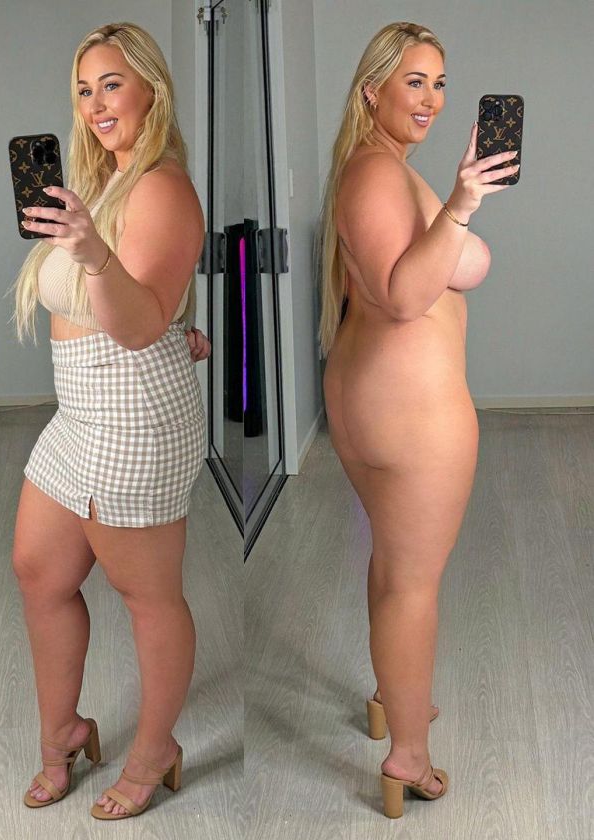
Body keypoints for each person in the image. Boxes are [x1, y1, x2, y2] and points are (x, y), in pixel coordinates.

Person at [7, 22, 211, 820]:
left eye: (112, 84)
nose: (95, 104)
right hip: (80, 410)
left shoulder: (161, 186)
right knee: (39, 570)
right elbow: (152, 306)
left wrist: (95, 254)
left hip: (134, 416)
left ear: (152, 89)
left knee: (148, 595)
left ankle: (155, 749)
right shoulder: (102, 183)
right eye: (84, 89)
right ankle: (64, 729)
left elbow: (136, 324)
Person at [319, 22, 519, 818]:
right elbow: (405, 297)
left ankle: (392, 698)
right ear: (372, 90)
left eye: (439, 83)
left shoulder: (379, 168)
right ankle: (408, 756)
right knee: (413, 585)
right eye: (414, 81)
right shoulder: (374, 173)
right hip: (412, 417)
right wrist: (463, 204)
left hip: (382, 407)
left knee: (394, 565)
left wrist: (455, 209)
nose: (432, 98)